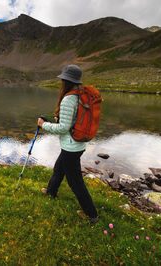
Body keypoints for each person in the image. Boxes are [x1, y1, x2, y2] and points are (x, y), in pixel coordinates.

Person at [37, 64, 99, 223]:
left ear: (65, 81)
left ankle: (91, 214)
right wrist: (60, 120)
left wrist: (44, 125)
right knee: (59, 169)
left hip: (71, 147)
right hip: (77, 145)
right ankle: (51, 192)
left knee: (75, 182)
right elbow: (73, 120)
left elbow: (63, 128)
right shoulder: (81, 94)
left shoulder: (68, 99)